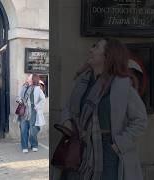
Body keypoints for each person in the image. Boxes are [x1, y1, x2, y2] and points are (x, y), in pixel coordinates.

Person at [54, 38, 148, 180]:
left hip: (108, 152)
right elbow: (68, 106)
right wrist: (67, 121)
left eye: (96, 47)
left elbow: (140, 120)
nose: (90, 50)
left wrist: (119, 144)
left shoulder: (121, 85)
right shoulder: (82, 80)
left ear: (107, 56)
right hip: (79, 148)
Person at [16, 74, 46, 153]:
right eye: (28, 77)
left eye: (30, 77)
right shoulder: (23, 87)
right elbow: (18, 96)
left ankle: (34, 145)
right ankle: (24, 146)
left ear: (33, 79)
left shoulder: (37, 88)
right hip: (24, 110)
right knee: (23, 129)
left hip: (33, 111)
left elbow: (43, 99)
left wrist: (38, 106)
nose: (28, 77)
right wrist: (19, 100)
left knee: (33, 130)